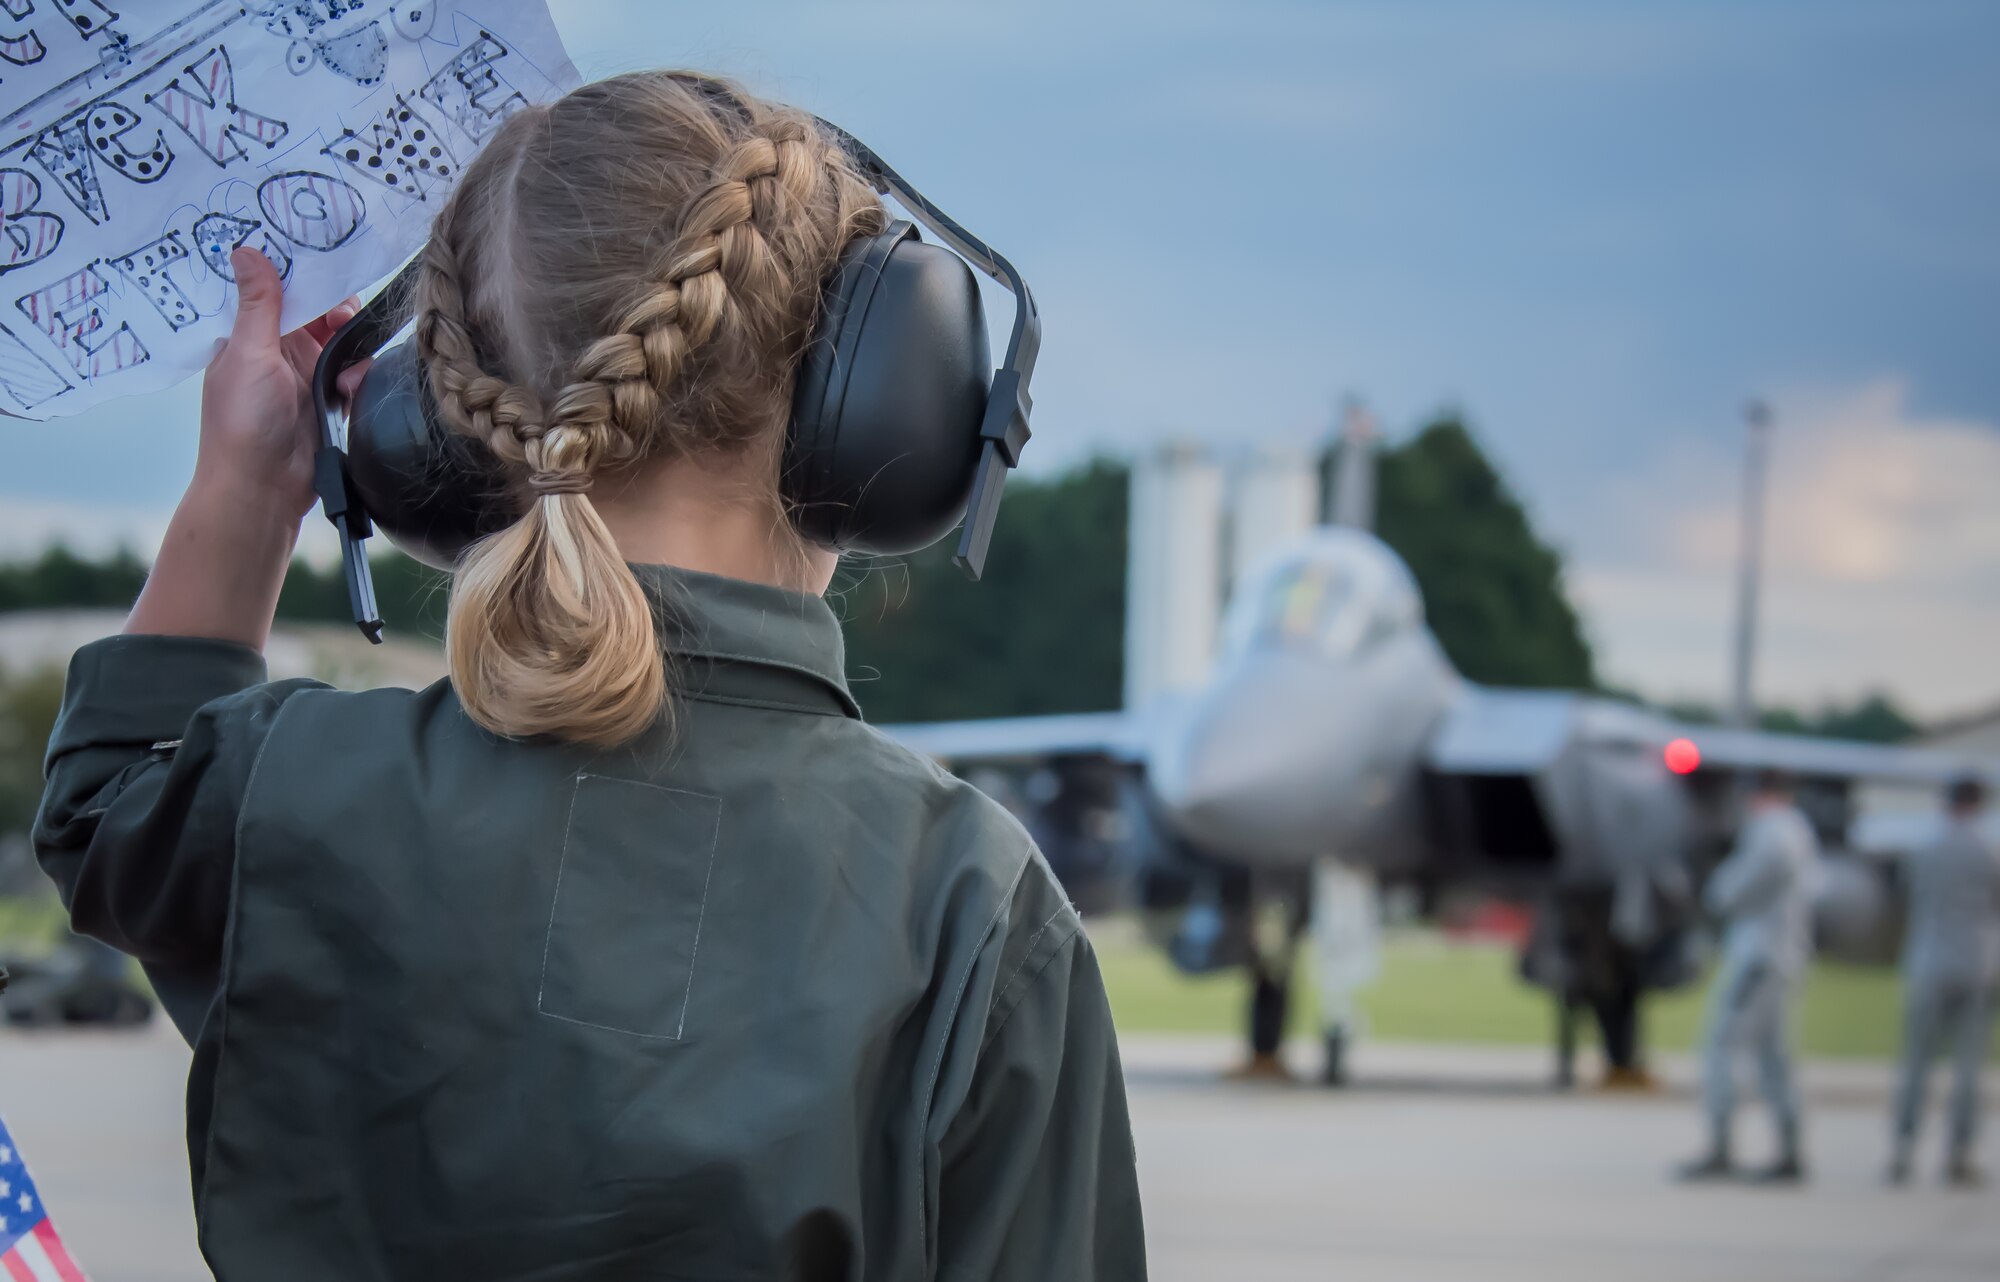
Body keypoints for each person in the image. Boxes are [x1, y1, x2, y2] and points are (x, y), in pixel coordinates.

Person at [34, 72, 1145, 1281]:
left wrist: (252, 485)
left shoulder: (291, 794)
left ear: (431, 426)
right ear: (876, 398)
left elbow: (106, 802)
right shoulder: (968, 905)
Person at [1678, 770, 1821, 1183]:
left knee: (1722, 1045)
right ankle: (1789, 1149)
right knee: (1774, 1055)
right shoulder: (1798, 829)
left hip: (1759, 955)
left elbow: (1737, 886)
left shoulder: (1774, 831)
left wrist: (1723, 886)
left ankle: (1720, 1144)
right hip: (1780, 953)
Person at [1888, 776, 1999, 1188]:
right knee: (1968, 1068)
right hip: (1977, 963)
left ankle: (1903, 1148)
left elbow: (1905, 896)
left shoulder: (1925, 848)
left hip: (1929, 960)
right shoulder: (1989, 851)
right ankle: (1959, 1153)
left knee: (1917, 1061)